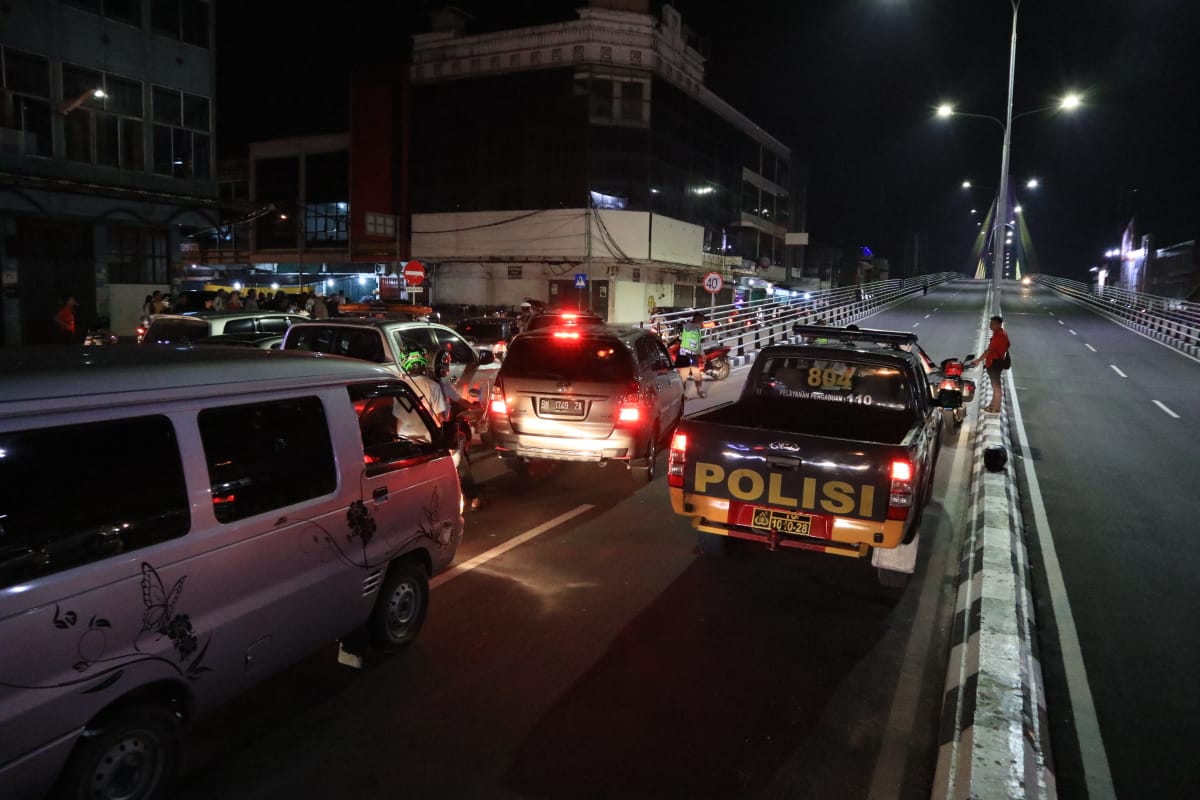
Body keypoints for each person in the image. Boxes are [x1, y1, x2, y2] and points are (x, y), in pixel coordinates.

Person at [432, 350, 484, 510]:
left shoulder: (412, 384)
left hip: (421, 435)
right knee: (460, 464)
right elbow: (443, 415)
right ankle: (472, 497)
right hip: (441, 432)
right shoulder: (436, 387)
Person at [970, 315, 1010, 413]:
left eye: (993, 324)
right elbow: (1008, 344)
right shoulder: (1001, 333)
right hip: (994, 362)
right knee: (994, 386)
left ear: (999, 324)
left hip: (994, 363)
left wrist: (978, 360)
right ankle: (992, 405)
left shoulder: (999, 335)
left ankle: (996, 408)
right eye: (990, 323)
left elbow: (989, 350)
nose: (990, 326)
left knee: (996, 387)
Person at [676, 311, 706, 398]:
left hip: (693, 355)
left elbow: (698, 343)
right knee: (684, 376)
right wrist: (695, 324)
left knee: (697, 374)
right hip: (685, 354)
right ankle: (682, 394)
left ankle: (699, 390)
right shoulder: (689, 326)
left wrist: (702, 354)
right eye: (701, 320)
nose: (702, 323)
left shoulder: (698, 329)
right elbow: (688, 327)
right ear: (698, 320)